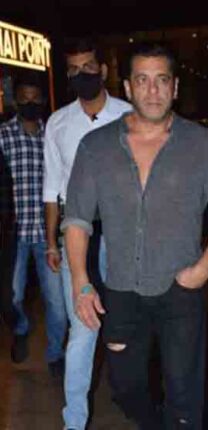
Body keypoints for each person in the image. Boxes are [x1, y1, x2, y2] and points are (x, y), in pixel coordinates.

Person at [63, 42, 208, 428]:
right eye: (142, 80)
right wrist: (81, 281)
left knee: (184, 396)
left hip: (181, 289)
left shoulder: (203, 145)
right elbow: (76, 219)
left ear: (174, 87)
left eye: (162, 80)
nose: (152, 90)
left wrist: (202, 270)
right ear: (128, 87)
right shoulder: (96, 146)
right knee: (125, 388)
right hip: (121, 289)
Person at [43, 37, 131, 430]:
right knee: (82, 330)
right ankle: (74, 421)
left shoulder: (128, 114)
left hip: (122, 234)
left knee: (125, 321)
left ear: (104, 71)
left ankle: (131, 395)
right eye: (75, 70)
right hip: (76, 234)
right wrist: (51, 241)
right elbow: (52, 187)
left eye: (89, 67)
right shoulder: (58, 123)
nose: (83, 75)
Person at [0, 74, 66, 374]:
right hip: (12, 233)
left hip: (46, 234)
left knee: (58, 303)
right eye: (24, 98)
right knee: (10, 296)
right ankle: (21, 328)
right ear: (15, 101)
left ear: (43, 101)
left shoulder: (52, 137)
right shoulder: (2, 136)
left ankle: (55, 354)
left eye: (35, 98)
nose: (30, 103)